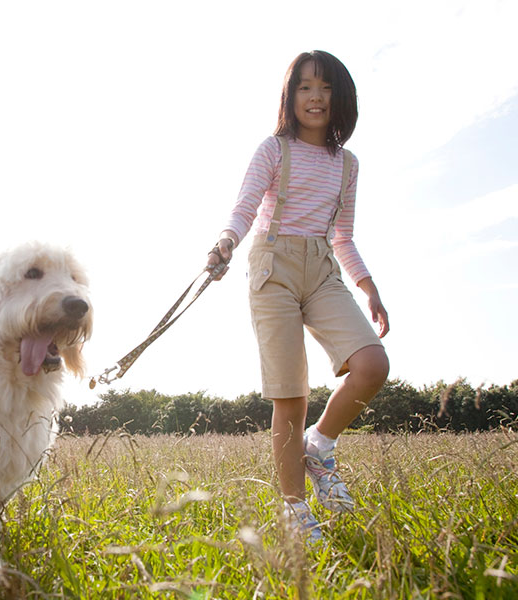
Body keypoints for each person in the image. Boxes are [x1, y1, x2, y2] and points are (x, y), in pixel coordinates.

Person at [206, 50, 390, 543]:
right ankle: (294, 509)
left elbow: (343, 237)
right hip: (273, 266)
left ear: (340, 98)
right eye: (305, 87)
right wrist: (226, 242)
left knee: (372, 363)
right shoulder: (273, 150)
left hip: (323, 269)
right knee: (291, 394)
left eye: (325, 88)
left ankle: (321, 444)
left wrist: (368, 287)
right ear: (290, 97)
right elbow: (244, 208)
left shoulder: (348, 165)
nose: (315, 97)